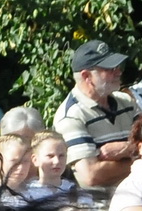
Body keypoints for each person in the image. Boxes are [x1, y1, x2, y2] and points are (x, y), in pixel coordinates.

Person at [54, 38, 137, 197]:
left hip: (141, 196)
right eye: (110, 68)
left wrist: (124, 149)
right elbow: (91, 176)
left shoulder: (126, 102)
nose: (118, 72)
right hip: (100, 208)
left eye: (118, 67)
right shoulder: (71, 116)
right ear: (87, 76)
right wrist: (140, 160)